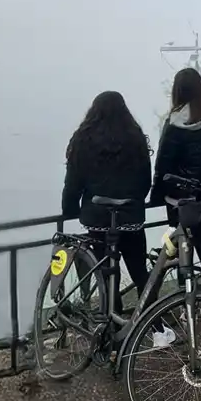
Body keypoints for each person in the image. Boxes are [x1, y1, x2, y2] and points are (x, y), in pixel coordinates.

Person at [61, 90, 152, 311]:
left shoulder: (83, 139)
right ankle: (153, 321)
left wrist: (70, 210)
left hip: (98, 218)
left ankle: (113, 327)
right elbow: (145, 181)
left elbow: (73, 184)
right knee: (140, 271)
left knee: (106, 273)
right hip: (130, 216)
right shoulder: (135, 137)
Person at [151, 68, 201, 319]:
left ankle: (189, 306)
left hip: (178, 200)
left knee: (183, 250)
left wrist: (156, 193)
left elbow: (163, 164)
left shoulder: (174, 123)